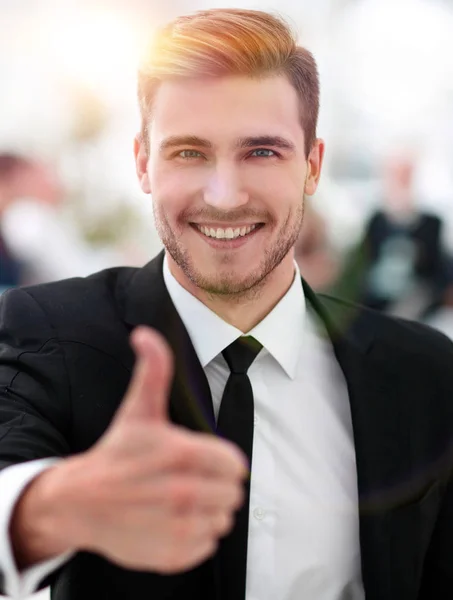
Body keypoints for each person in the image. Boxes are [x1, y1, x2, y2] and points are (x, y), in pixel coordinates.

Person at [0, 9, 453, 600]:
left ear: (312, 167)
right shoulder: (46, 330)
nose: (225, 195)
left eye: (261, 152)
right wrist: (51, 509)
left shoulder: (425, 371)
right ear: (143, 163)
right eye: (189, 152)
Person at [338, 151, 449, 320]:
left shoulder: (431, 224)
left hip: (415, 303)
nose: (400, 181)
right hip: (375, 302)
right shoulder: (376, 220)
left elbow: (438, 271)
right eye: (395, 175)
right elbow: (360, 264)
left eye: (405, 175)